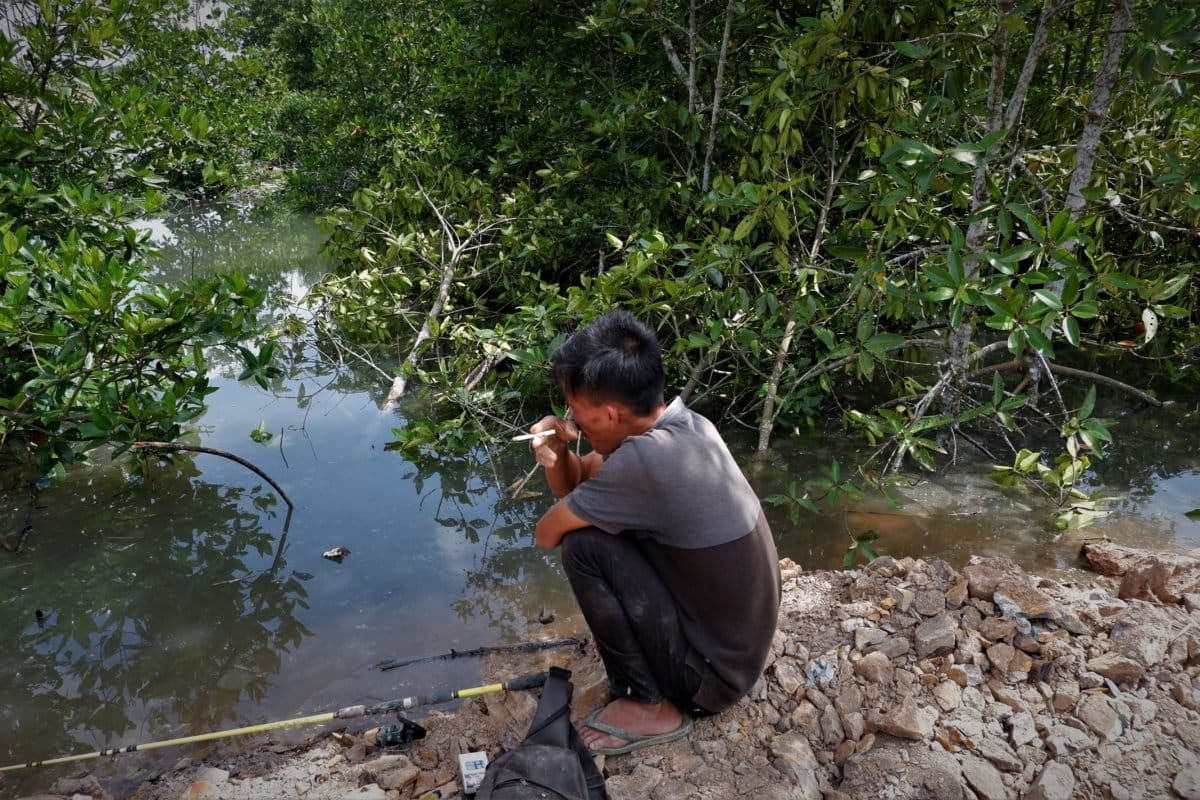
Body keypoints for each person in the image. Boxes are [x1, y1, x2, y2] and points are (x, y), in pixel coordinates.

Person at [527, 311, 781, 756]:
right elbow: (579, 484)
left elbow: (548, 533)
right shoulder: (683, 426)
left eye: (578, 415)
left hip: (709, 682)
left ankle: (648, 703)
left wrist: (560, 460)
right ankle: (654, 687)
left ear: (611, 413)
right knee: (595, 527)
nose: (572, 419)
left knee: (583, 547)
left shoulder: (647, 464)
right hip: (734, 656)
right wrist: (561, 452)